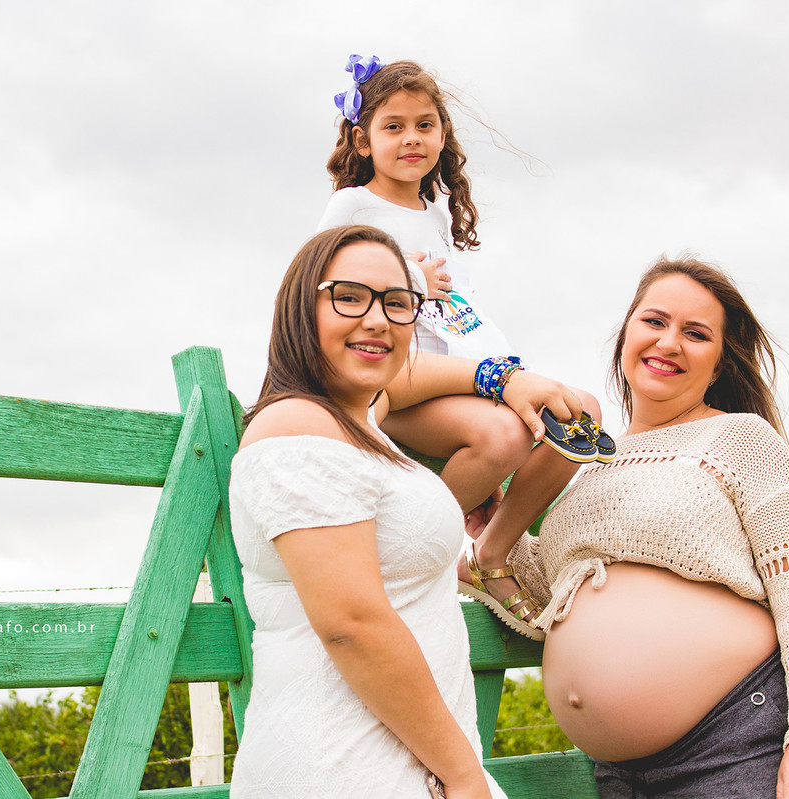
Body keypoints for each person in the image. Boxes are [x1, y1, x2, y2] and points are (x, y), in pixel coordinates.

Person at [228, 225, 581, 798]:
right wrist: (466, 777)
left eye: (398, 303)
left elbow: (403, 375)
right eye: (348, 296)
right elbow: (352, 626)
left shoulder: (360, 420)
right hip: (340, 768)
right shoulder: (298, 426)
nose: (377, 319)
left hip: (407, 761)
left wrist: (505, 377)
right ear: (300, 311)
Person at [494, 255, 789, 798]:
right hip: (623, 774)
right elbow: (566, 594)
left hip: (731, 746)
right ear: (626, 335)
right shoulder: (590, 465)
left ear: (719, 364)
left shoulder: (743, 441)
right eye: (655, 321)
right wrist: (490, 526)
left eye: (696, 333)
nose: (668, 343)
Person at [316, 56, 610, 639]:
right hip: (390, 380)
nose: (411, 139)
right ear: (362, 138)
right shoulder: (352, 207)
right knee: (501, 434)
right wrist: (405, 283)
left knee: (580, 412)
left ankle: (489, 553)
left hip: (451, 369)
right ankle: (414, 551)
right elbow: (326, 291)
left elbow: (459, 316)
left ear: (443, 134)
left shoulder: (438, 213)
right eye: (392, 126)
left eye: (425, 124)